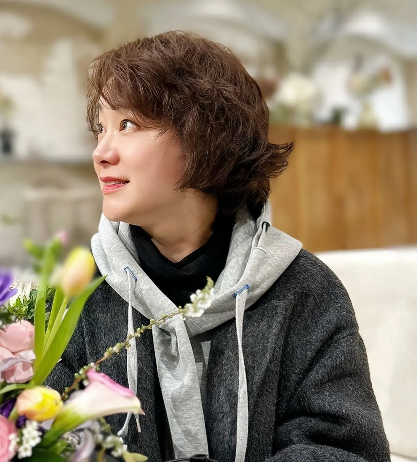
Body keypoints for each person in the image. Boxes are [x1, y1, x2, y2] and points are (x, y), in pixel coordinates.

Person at [46, 31, 389, 462]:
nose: (101, 152)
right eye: (101, 128)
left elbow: (345, 449)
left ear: (203, 136)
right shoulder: (77, 292)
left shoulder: (305, 291)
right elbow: (40, 437)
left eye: (127, 125)